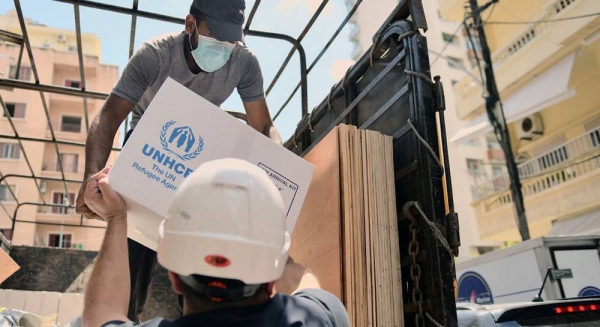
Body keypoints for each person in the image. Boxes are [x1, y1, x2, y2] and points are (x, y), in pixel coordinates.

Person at [75, 0, 281, 320]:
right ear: (190, 24)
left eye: (231, 41)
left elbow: (264, 125)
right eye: (217, 39)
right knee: (133, 247)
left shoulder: (244, 62)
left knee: (200, 251)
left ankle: (197, 318)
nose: (224, 48)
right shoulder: (155, 55)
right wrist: (90, 175)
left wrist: (279, 163)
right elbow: (108, 116)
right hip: (148, 143)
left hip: (204, 146)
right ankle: (124, 318)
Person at [82, 159, 350, 327]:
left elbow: (100, 316)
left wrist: (117, 216)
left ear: (174, 276)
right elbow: (302, 281)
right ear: (272, 276)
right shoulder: (320, 317)